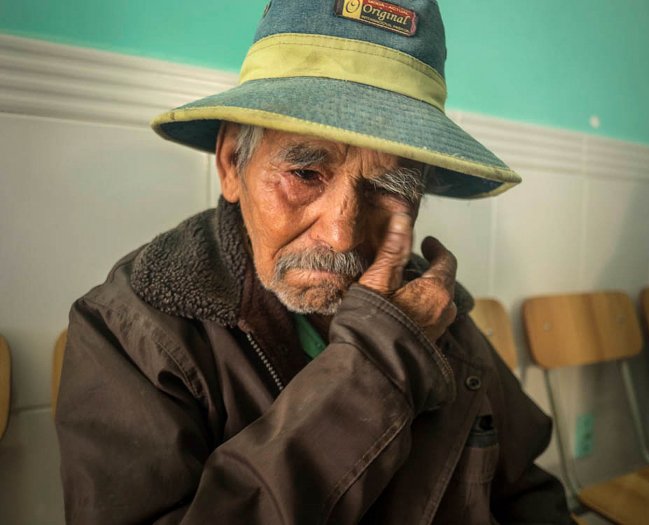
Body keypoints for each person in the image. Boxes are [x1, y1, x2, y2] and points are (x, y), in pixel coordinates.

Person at [56, 0, 572, 523]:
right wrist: (384, 360)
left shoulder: (432, 306)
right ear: (232, 163)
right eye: (304, 173)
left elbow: (527, 491)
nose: (341, 234)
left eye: (387, 189)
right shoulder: (129, 329)